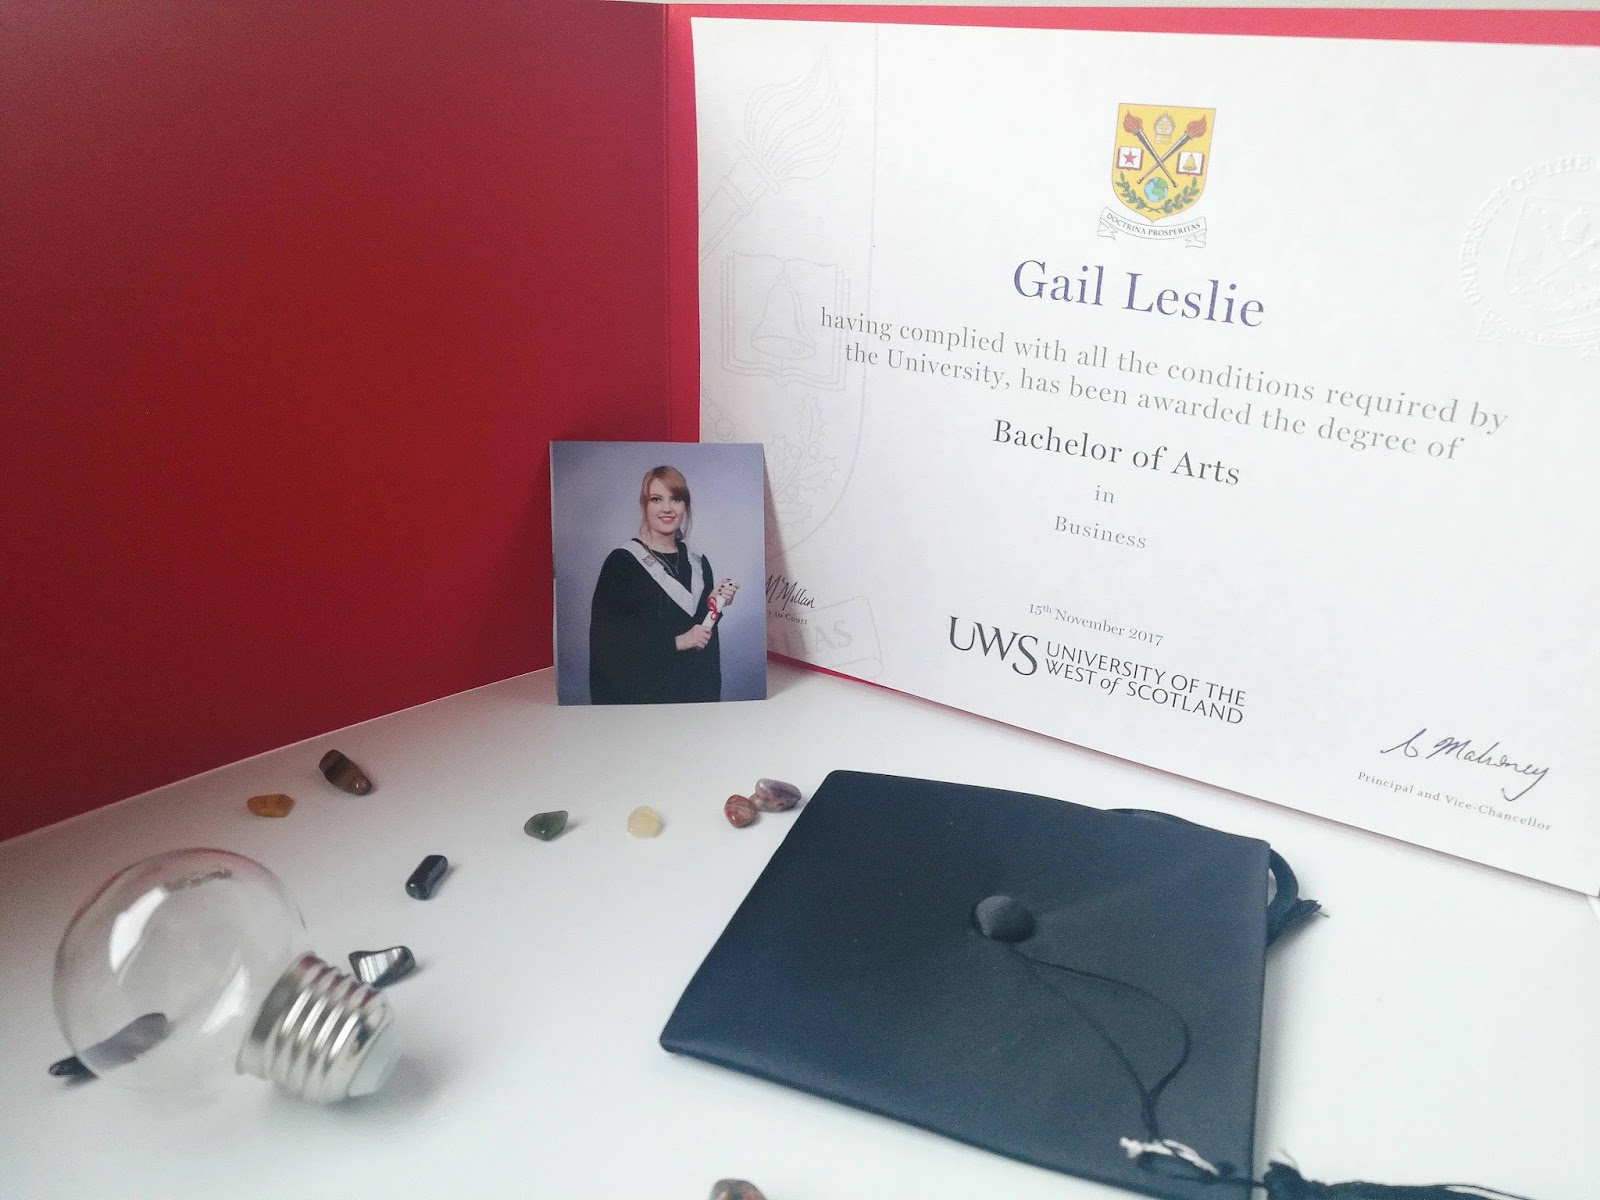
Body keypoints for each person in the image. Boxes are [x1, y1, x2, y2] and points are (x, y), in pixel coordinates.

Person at [588, 465, 739, 704]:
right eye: (656, 499)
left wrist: (714, 605)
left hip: (692, 700)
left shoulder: (698, 562)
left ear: (685, 506)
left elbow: (702, 641)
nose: (667, 508)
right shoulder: (622, 564)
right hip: (645, 703)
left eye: (676, 499)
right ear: (644, 505)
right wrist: (677, 642)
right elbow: (609, 644)